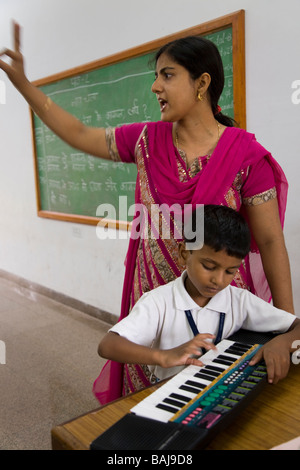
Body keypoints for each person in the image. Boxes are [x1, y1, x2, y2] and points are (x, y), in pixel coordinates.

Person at [0, 24, 294, 402]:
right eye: (156, 77)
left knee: (216, 400)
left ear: (202, 83)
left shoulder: (246, 156)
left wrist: (285, 332)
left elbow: (270, 241)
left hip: (220, 303)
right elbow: (75, 131)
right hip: (155, 299)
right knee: (152, 404)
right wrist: (24, 84)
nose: (155, 87)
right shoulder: (144, 140)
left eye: (167, 75)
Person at [98, 205, 300, 386]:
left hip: (220, 389)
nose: (219, 280)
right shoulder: (159, 302)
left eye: (230, 271)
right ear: (184, 253)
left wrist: (282, 343)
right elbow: (108, 345)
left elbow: (296, 326)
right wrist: (163, 356)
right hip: (169, 392)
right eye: (209, 266)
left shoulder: (239, 300)